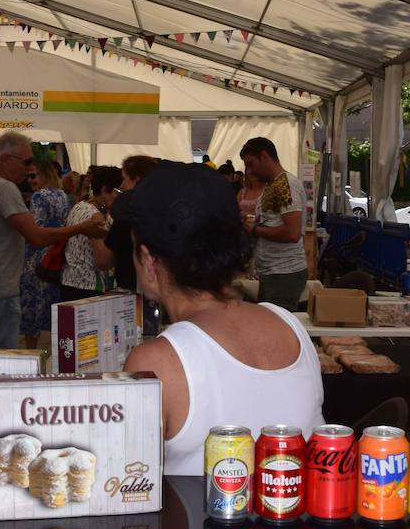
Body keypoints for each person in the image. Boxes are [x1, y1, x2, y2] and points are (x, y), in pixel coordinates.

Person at [121, 162, 324, 474]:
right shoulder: (289, 325)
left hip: (199, 523)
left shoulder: (154, 363)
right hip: (291, 519)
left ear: (149, 262)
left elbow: (127, 480)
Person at [0, 131, 106, 349]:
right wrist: (81, 228)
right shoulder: (3, 188)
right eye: (26, 162)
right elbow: (36, 236)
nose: (29, 170)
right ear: (7, 159)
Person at [239, 137, 308, 312]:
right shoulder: (274, 186)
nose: (249, 170)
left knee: (277, 326)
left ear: (264, 156)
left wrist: (255, 229)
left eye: (251, 164)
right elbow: (275, 222)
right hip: (274, 273)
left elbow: (292, 233)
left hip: (283, 274)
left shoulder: (286, 185)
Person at [19, 159, 72, 347]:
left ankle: (31, 353)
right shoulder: (63, 195)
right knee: (52, 310)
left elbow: (36, 231)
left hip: (36, 261)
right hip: (55, 259)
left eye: (33, 176)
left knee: (31, 311)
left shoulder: (39, 196)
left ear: (45, 174)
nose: (30, 180)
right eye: (28, 177)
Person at [61, 166, 122, 302]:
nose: (120, 197)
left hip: (69, 280)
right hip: (89, 285)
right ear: (104, 190)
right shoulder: (96, 216)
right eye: (118, 191)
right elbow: (101, 261)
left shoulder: (79, 206)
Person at [103, 154, 158, 292]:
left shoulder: (124, 216)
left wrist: (94, 233)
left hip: (131, 293)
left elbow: (103, 261)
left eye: (125, 179)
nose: (121, 185)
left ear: (137, 180)